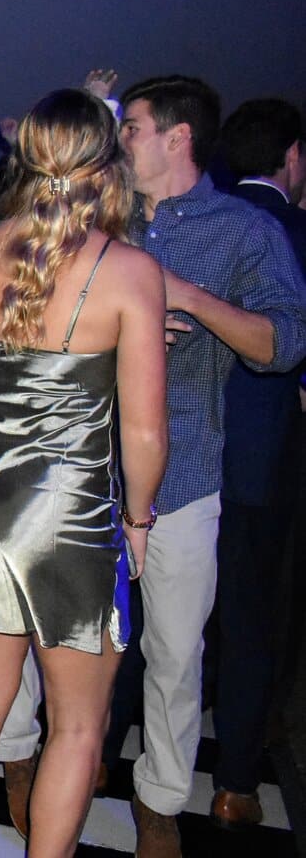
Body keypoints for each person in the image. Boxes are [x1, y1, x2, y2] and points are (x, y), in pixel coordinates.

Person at [0, 77, 306, 857]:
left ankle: (160, 795)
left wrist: (191, 302)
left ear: (177, 137)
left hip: (186, 474)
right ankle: (21, 750)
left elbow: (284, 344)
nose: (116, 137)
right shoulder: (97, 214)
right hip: (73, 466)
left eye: (128, 125)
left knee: (174, 648)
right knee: (36, 628)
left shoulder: (243, 231)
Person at [0, 89, 167, 857]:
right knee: (78, 724)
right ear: (106, 168)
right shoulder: (131, 272)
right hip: (71, 518)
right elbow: (144, 430)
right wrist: (139, 519)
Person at [207, 98, 306, 828]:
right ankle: (235, 779)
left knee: (140, 616)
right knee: (251, 616)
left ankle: (101, 760)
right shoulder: (289, 230)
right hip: (258, 455)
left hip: (177, 450)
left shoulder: (186, 220)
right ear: (292, 157)